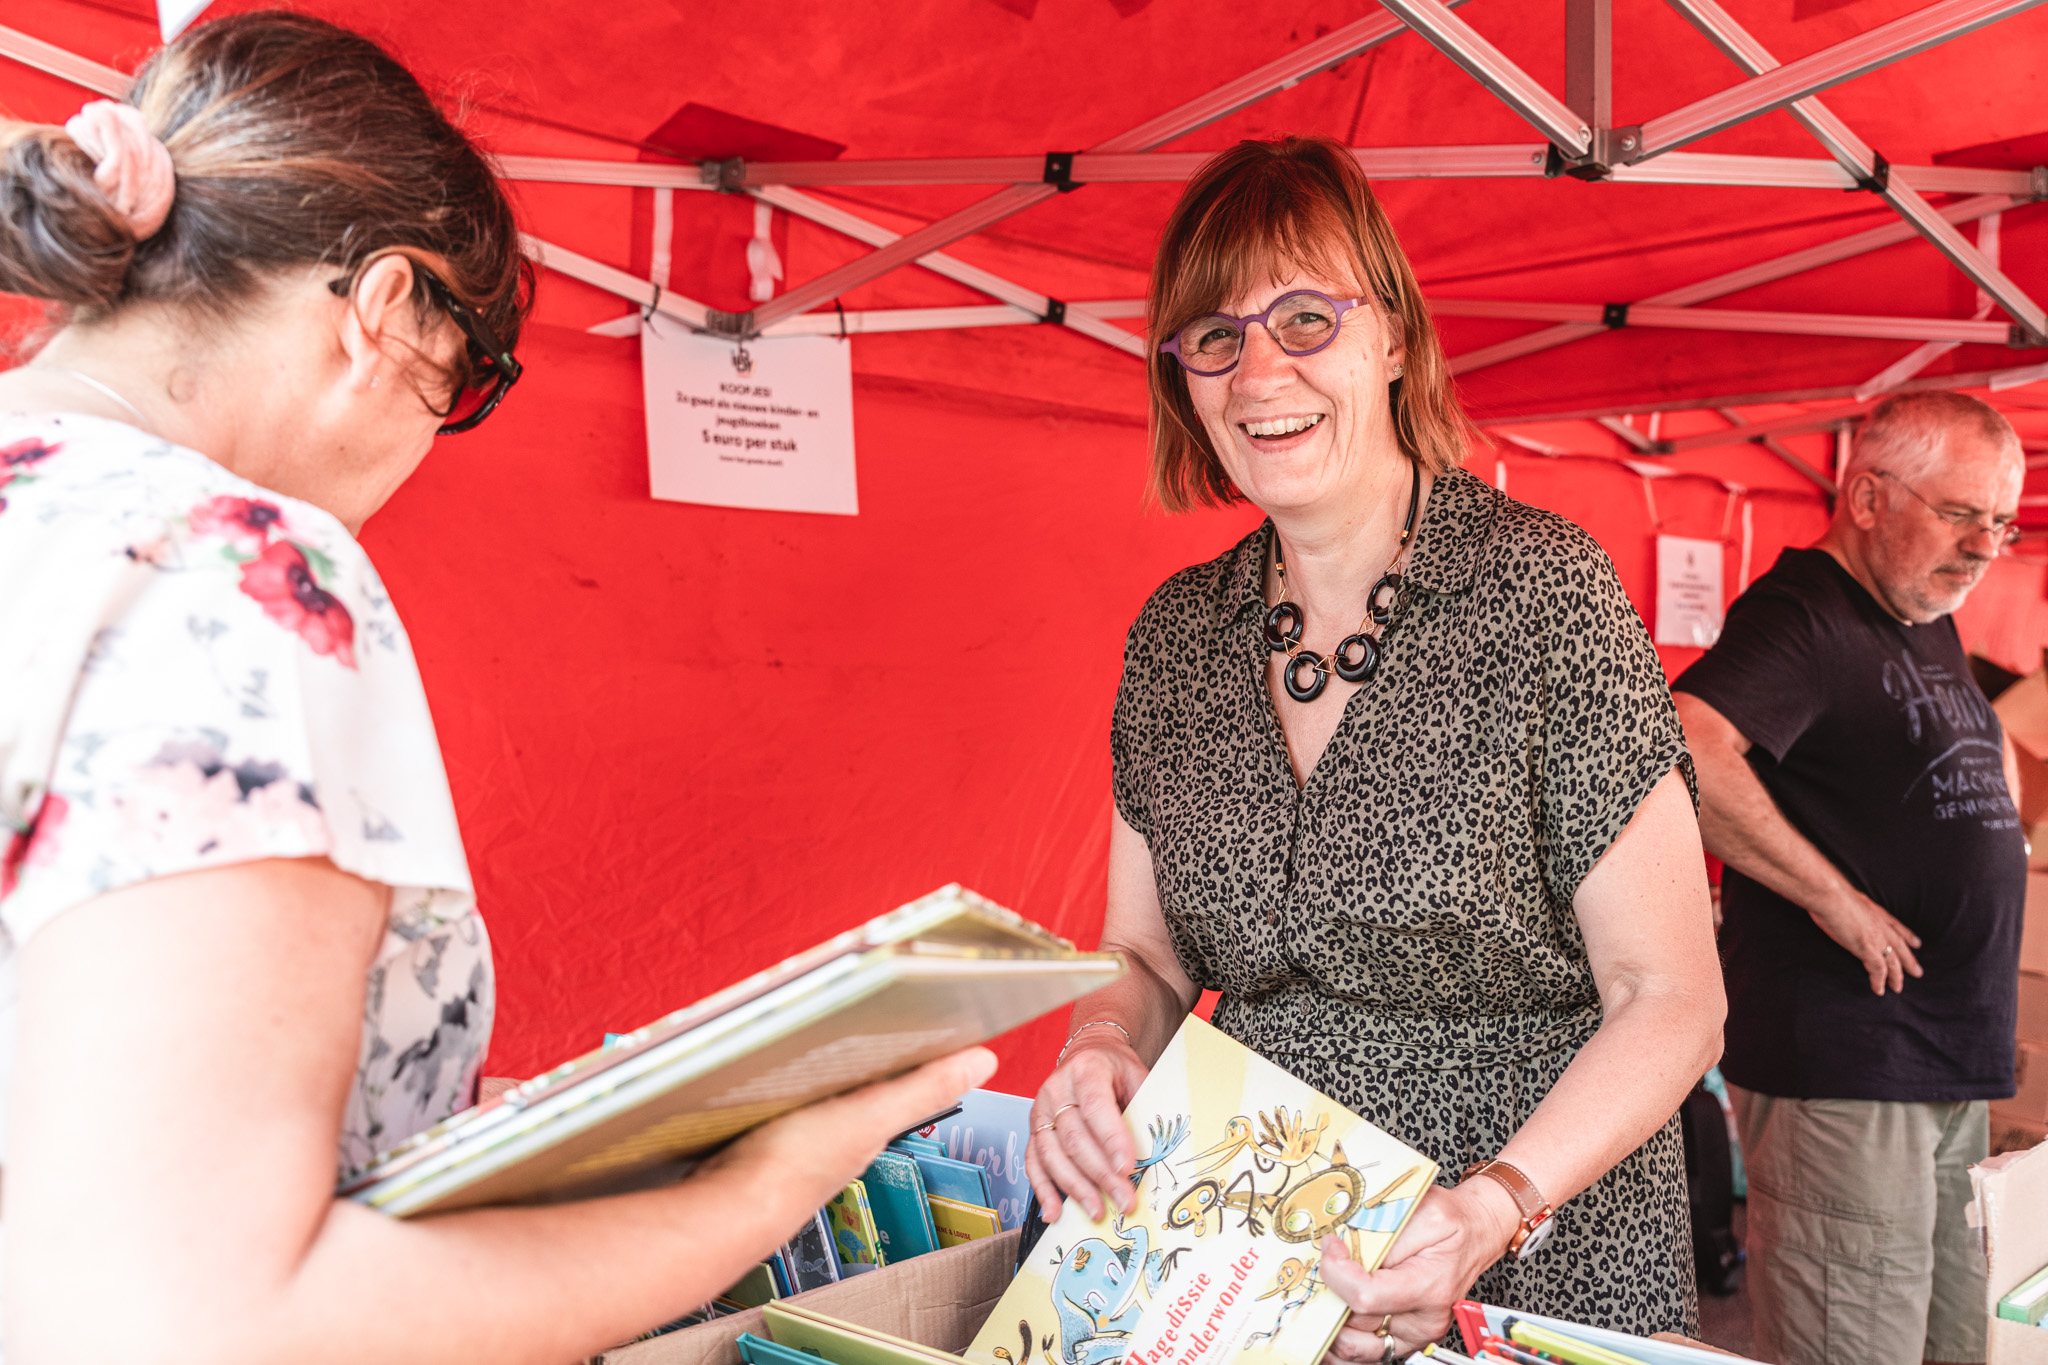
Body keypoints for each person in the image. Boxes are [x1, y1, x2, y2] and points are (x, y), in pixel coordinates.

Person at [0, 15, 993, 1363]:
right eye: (465, 386)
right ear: (384, 310)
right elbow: (205, 1316)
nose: (430, 447)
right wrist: (753, 1190)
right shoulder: (244, 567)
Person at [1024, 135, 1726, 1358]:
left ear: (1392, 336)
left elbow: (1668, 999)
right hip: (1247, 1272)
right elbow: (1140, 951)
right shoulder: (1178, 637)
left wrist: (1490, 1208)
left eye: (1305, 320)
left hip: (1521, 1270)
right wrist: (1093, 1049)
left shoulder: (1539, 594)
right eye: (1213, 337)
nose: (1257, 375)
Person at [1672, 391, 2027, 1365]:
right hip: (1848, 1059)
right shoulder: (1805, 609)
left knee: (1952, 1342)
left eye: (1999, 522)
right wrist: (1832, 897)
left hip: (1942, 1059)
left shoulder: (1923, 610)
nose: (1983, 546)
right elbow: (1684, 751)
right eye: (1960, 514)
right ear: (1866, 496)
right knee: (1851, 1344)